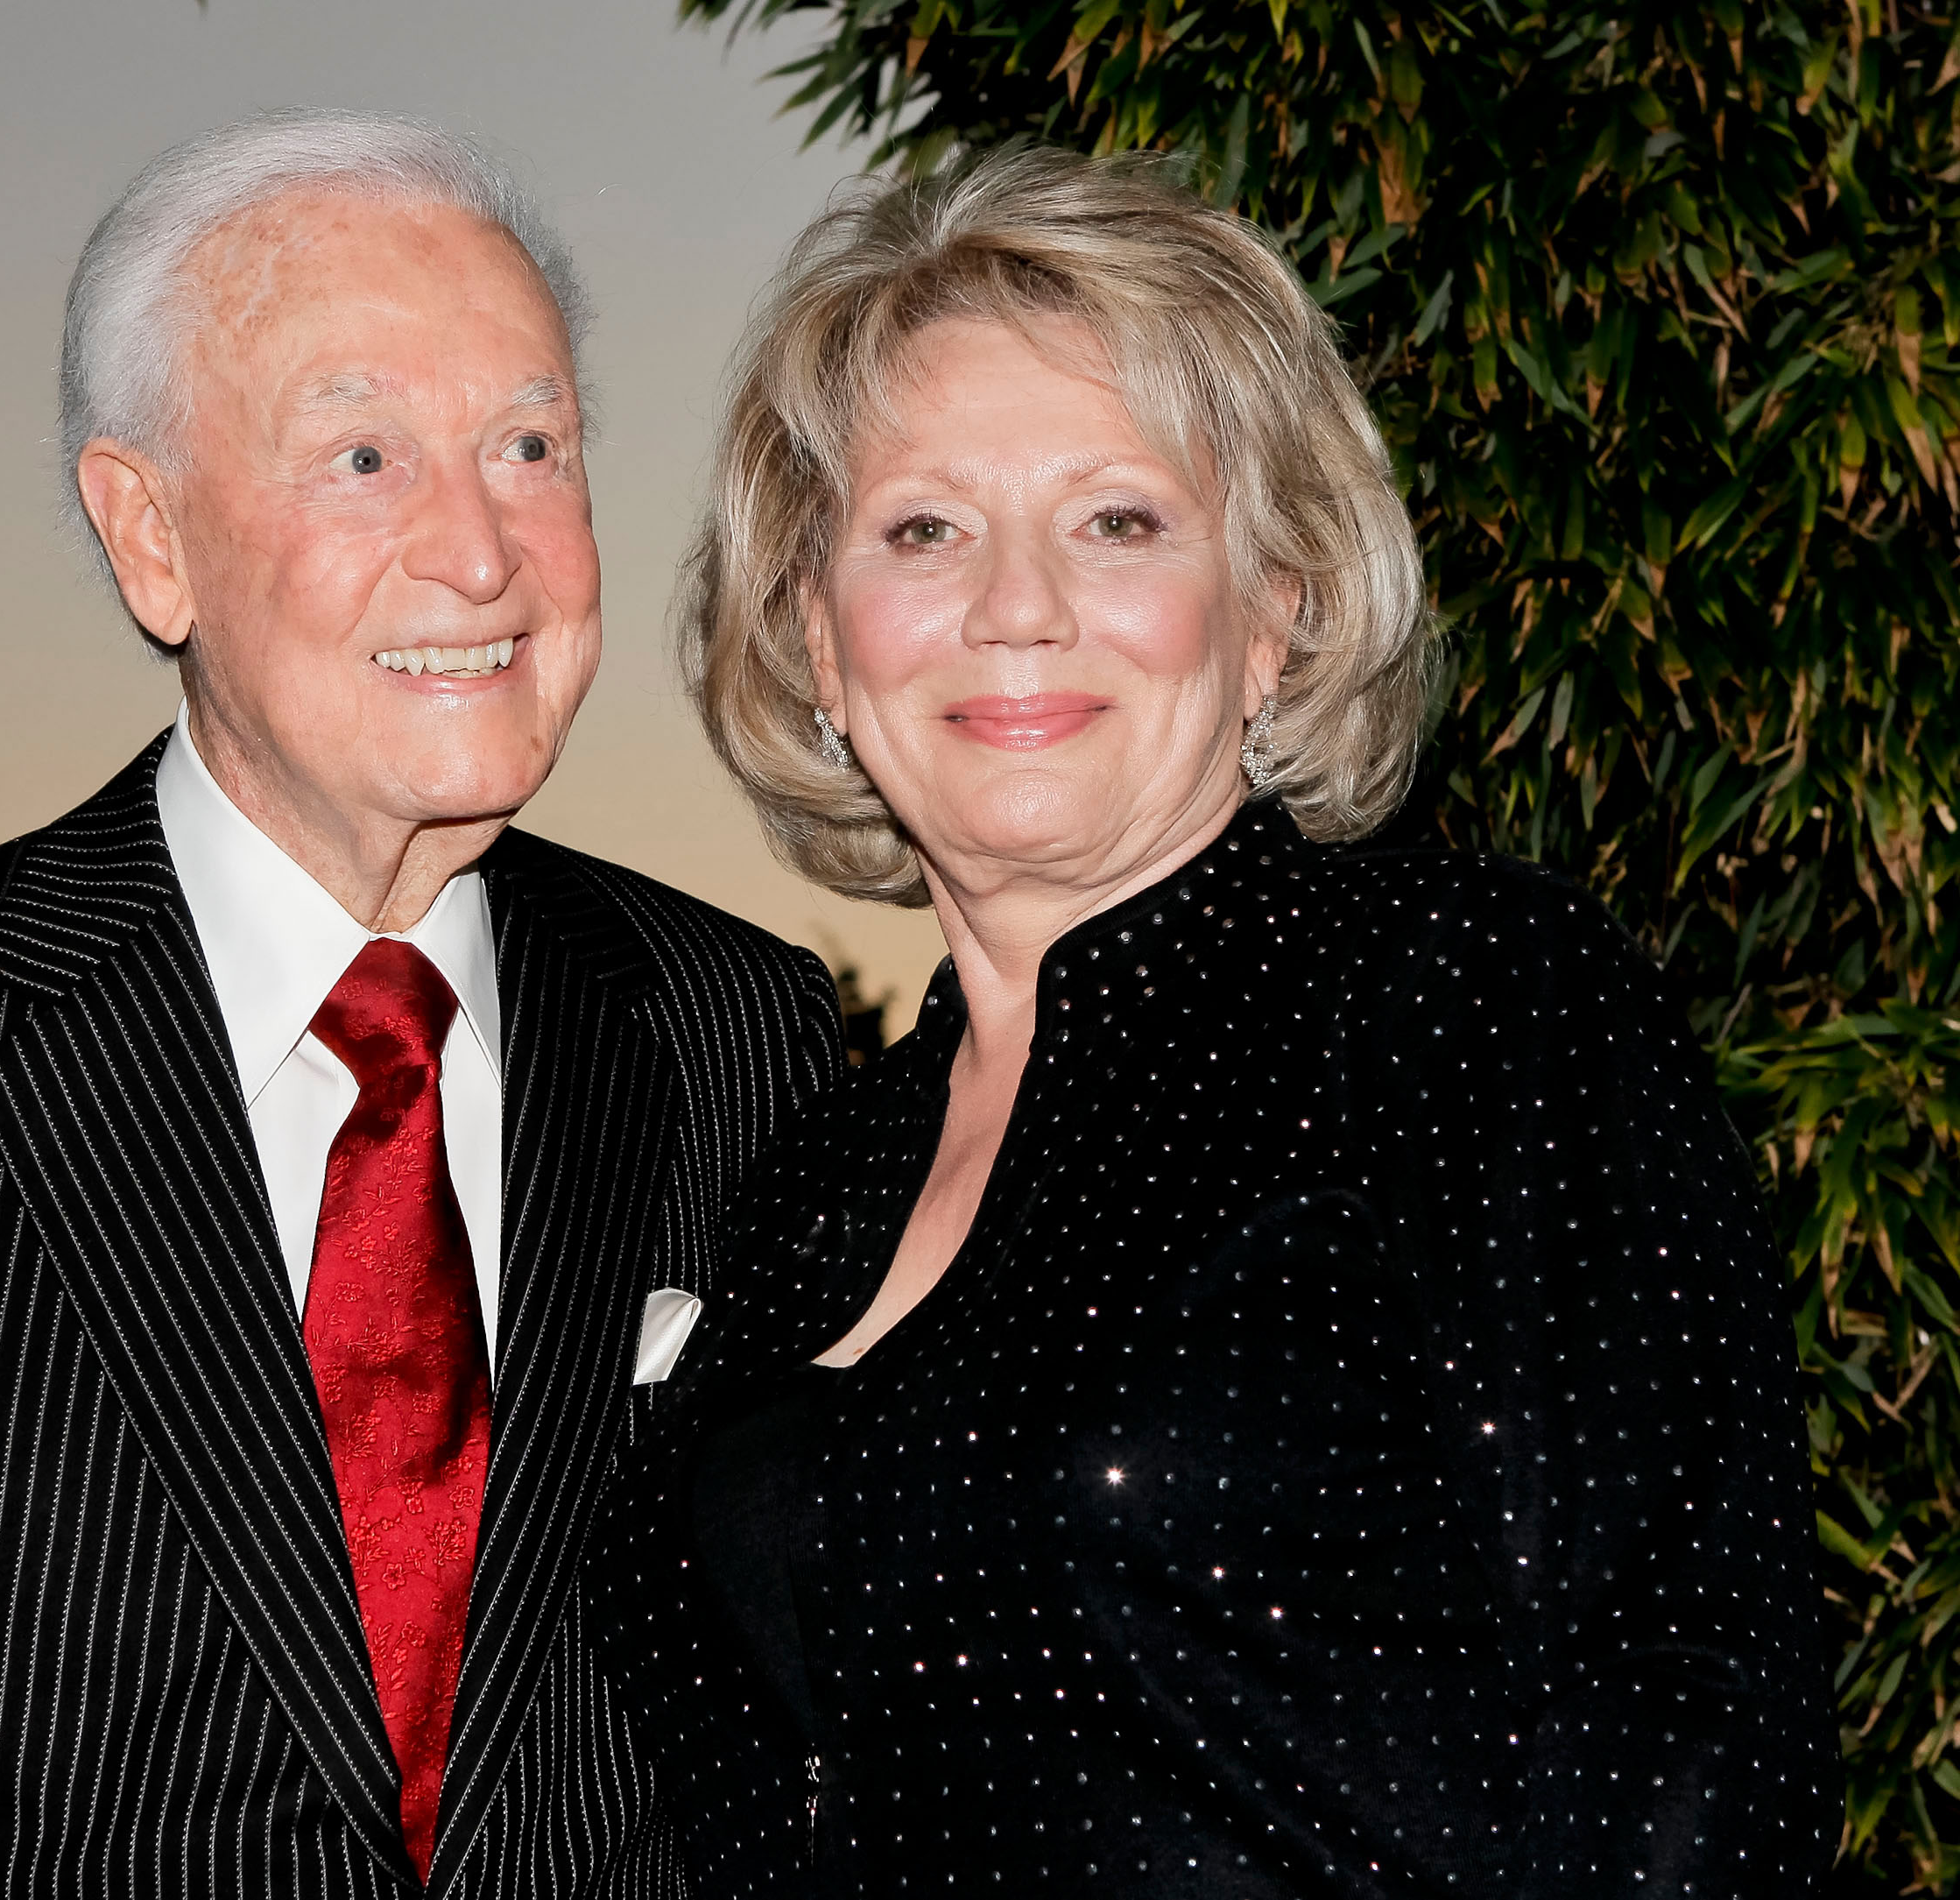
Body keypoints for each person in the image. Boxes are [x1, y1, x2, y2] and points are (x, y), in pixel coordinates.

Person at [0, 112, 845, 1900]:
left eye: (530, 443)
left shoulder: (738, 1031)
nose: (481, 549)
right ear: (149, 537)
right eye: (364, 454)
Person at [601, 148, 1837, 1895]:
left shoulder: (1476, 1013)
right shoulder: (807, 1172)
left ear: (1273, 611)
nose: (1016, 604)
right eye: (923, 528)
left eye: (1118, 518)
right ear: (815, 630)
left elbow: (1701, 1764)